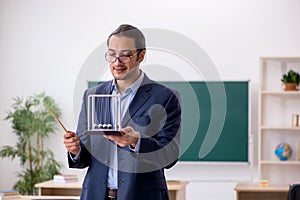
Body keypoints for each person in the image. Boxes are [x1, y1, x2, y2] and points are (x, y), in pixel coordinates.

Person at [63, 24, 181, 200]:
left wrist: (136, 141)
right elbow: (84, 157)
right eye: (112, 54)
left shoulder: (165, 97)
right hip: (96, 195)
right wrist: (75, 149)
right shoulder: (93, 96)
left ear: (141, 55)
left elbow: (169, 155)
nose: (117, 62)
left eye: (125, 55)